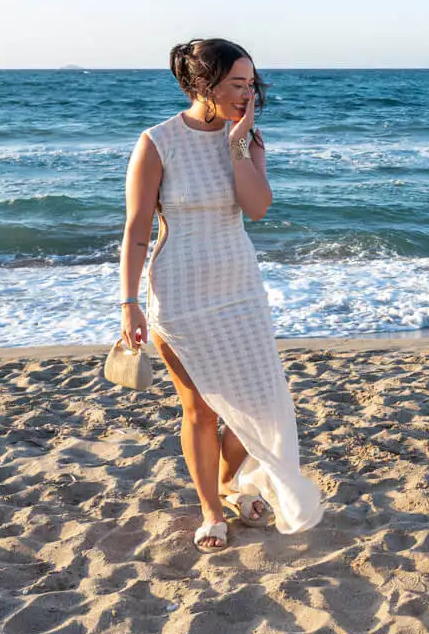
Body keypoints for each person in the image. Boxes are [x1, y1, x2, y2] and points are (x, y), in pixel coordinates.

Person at [119, 39, 323, 550]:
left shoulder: (248, 139)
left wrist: (237, 147)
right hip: (181, 295)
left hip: (239, 290)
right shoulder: (158, 142)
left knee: (257, 404)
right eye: (237, 83)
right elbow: (137, 229)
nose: (247, 93)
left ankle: (232, 482)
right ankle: (211, 508)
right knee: (201, 409)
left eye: (252, 84)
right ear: (203, 85)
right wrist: (129, 302)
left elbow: (256, 208)